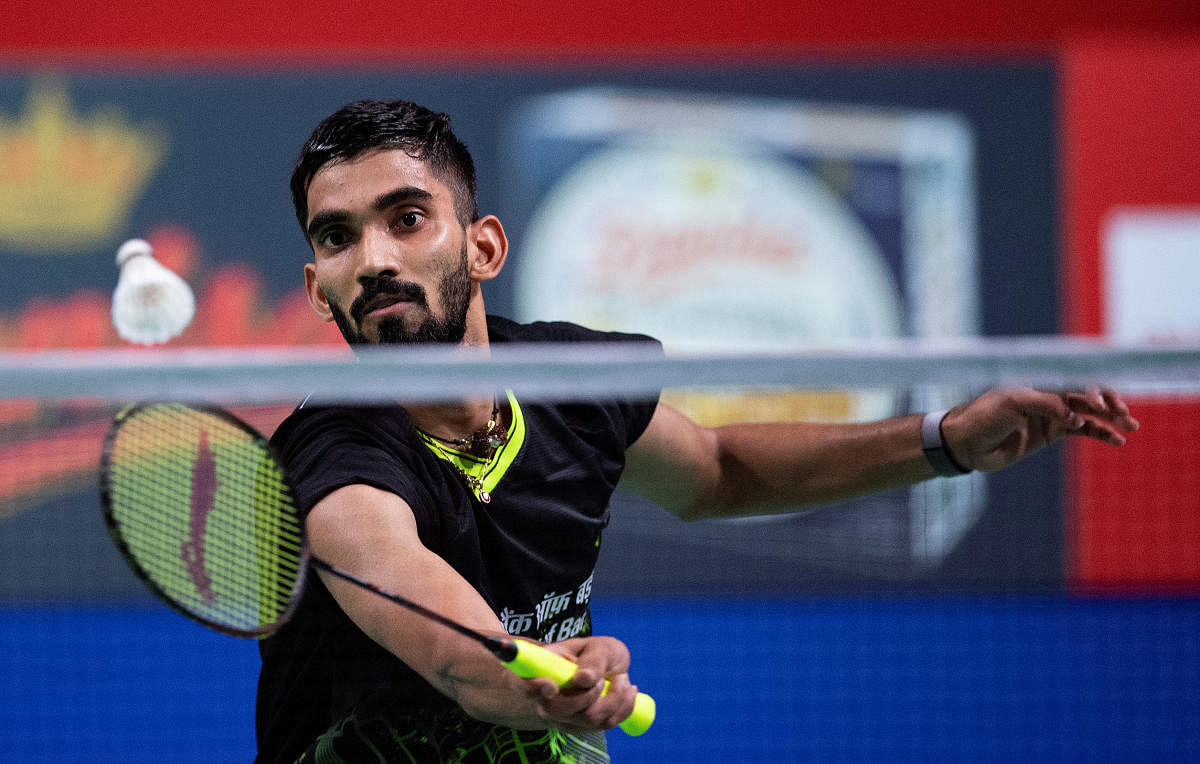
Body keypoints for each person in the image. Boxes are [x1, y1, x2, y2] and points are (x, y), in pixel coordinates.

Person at [255, 99, 1139, 763]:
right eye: (338, 238)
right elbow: (461, 662)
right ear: (315, 286)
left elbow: (719, 471)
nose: (373, 260)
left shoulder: (570, 384)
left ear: (482, 248)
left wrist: (946, 439)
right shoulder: (333, 464)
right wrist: (543, 679)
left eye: (406, 219)